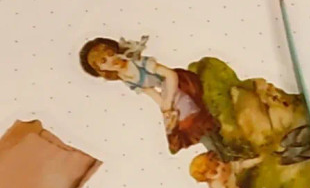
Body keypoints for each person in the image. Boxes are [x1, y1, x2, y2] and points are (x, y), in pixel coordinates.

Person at [80, 37, 218, 154]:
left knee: (188, 120)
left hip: (178, 83)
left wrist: (168, 100)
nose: (111, 60)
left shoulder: (137, 62)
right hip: (165, 93)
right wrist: (165, 108)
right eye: (103, 61)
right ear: (101, 69)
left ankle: (216, 143)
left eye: (110, 54)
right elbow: (149, 91)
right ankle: (211, 150)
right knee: (172, 126)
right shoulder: (124, 77)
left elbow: (170, 75)